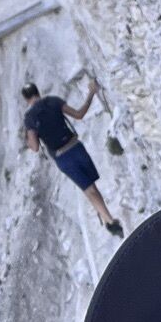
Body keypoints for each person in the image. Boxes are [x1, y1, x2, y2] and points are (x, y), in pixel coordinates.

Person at [21, 78, 123, 236]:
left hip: (63, 157)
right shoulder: (53, 101)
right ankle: (106, 217)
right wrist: (91, 93)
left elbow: (34, 147)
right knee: (91, 187)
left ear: (26, 99)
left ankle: (110, 222)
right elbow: (79, 114)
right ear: (37, 92)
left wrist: (27, 138)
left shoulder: (30, 118)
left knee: (89, 189)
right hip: (76, 147)